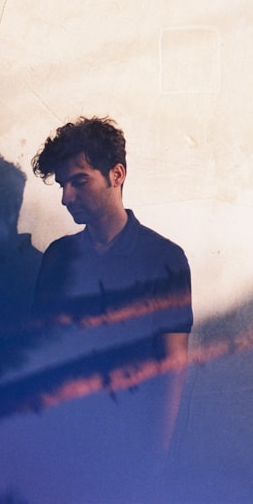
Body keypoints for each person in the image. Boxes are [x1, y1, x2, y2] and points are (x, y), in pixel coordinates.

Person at [31, 116, 193, 455]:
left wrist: (155, 458)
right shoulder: (58, 257)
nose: (66, 197)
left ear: (116, 175)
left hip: (129, 441)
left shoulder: (164, 258)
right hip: (63, 441)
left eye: (79, 182)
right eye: (62, 184)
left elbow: (172, 365)